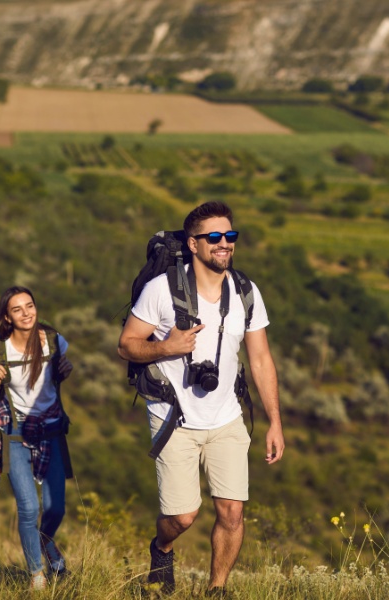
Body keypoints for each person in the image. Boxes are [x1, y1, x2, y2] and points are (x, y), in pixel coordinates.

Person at [118, 201, 285, 596]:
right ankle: (162, 548)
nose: (224, 243)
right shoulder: (161, 291)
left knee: (232, 511)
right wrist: (166, 348)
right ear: (193, 244)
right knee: (182, 516)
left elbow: (260, 359)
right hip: (173, 417)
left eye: (230, 236)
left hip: (227, 417)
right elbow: (126, 345)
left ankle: (217, 589)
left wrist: (275, 421)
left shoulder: (245, 290)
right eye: (214, 237)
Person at [0, 286, 74, 592]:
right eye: (17, 309)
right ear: (7, 317)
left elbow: (62, 371)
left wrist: (65, 369)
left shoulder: (54, 340)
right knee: (28, 508)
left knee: (56, 508)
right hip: (15, 433)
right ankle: (37, 576)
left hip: (51, 432)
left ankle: (44, 542)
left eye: (30, 306)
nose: (26, 313)